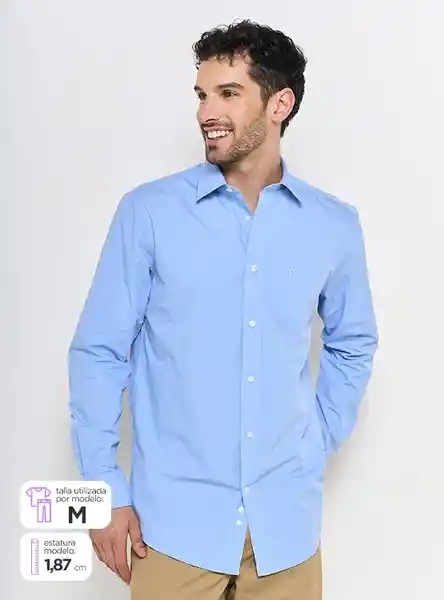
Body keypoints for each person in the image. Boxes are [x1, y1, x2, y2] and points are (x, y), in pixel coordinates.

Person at [68, 19, 378, 600]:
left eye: (228, 93)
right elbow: (99, 353)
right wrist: (103, 490)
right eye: (202, 95)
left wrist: (314, 438)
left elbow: (353, 341)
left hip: (286, 535)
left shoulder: (333, 225)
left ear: (279, 104)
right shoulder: (149, 213)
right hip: (171, 534)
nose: (206, 112)